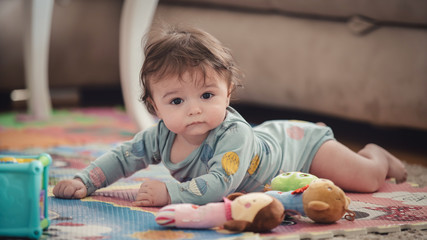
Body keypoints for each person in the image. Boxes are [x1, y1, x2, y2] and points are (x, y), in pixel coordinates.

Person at [53, 25, 407, 207]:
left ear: (228, 93)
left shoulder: (231, 133)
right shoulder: (160, 135)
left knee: (366, 180)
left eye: (207, 95)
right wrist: (87, 181)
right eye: (176, 101)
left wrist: (170, 193)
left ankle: (375, 152)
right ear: (154, 108)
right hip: (272, 143)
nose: (194, 109)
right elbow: (123, 156)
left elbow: (221, 183)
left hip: (301, 149)